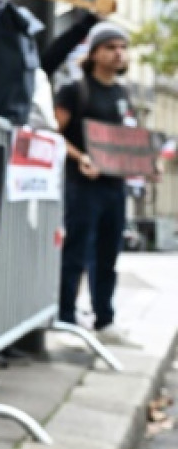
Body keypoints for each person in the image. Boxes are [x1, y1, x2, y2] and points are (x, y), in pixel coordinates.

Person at [54, 23, 142, 346]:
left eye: (122, 47)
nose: (118, 53)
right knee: (75, 252)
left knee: (107, 255)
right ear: (94, 53)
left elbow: (129, 138)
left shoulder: (123, 93)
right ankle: (64, 317)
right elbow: (54, 134)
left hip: (114, 186)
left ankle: (104, 319)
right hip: (82, 185)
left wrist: (146, 163)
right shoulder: (75, 91)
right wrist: (80, 158)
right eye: (111, 47)